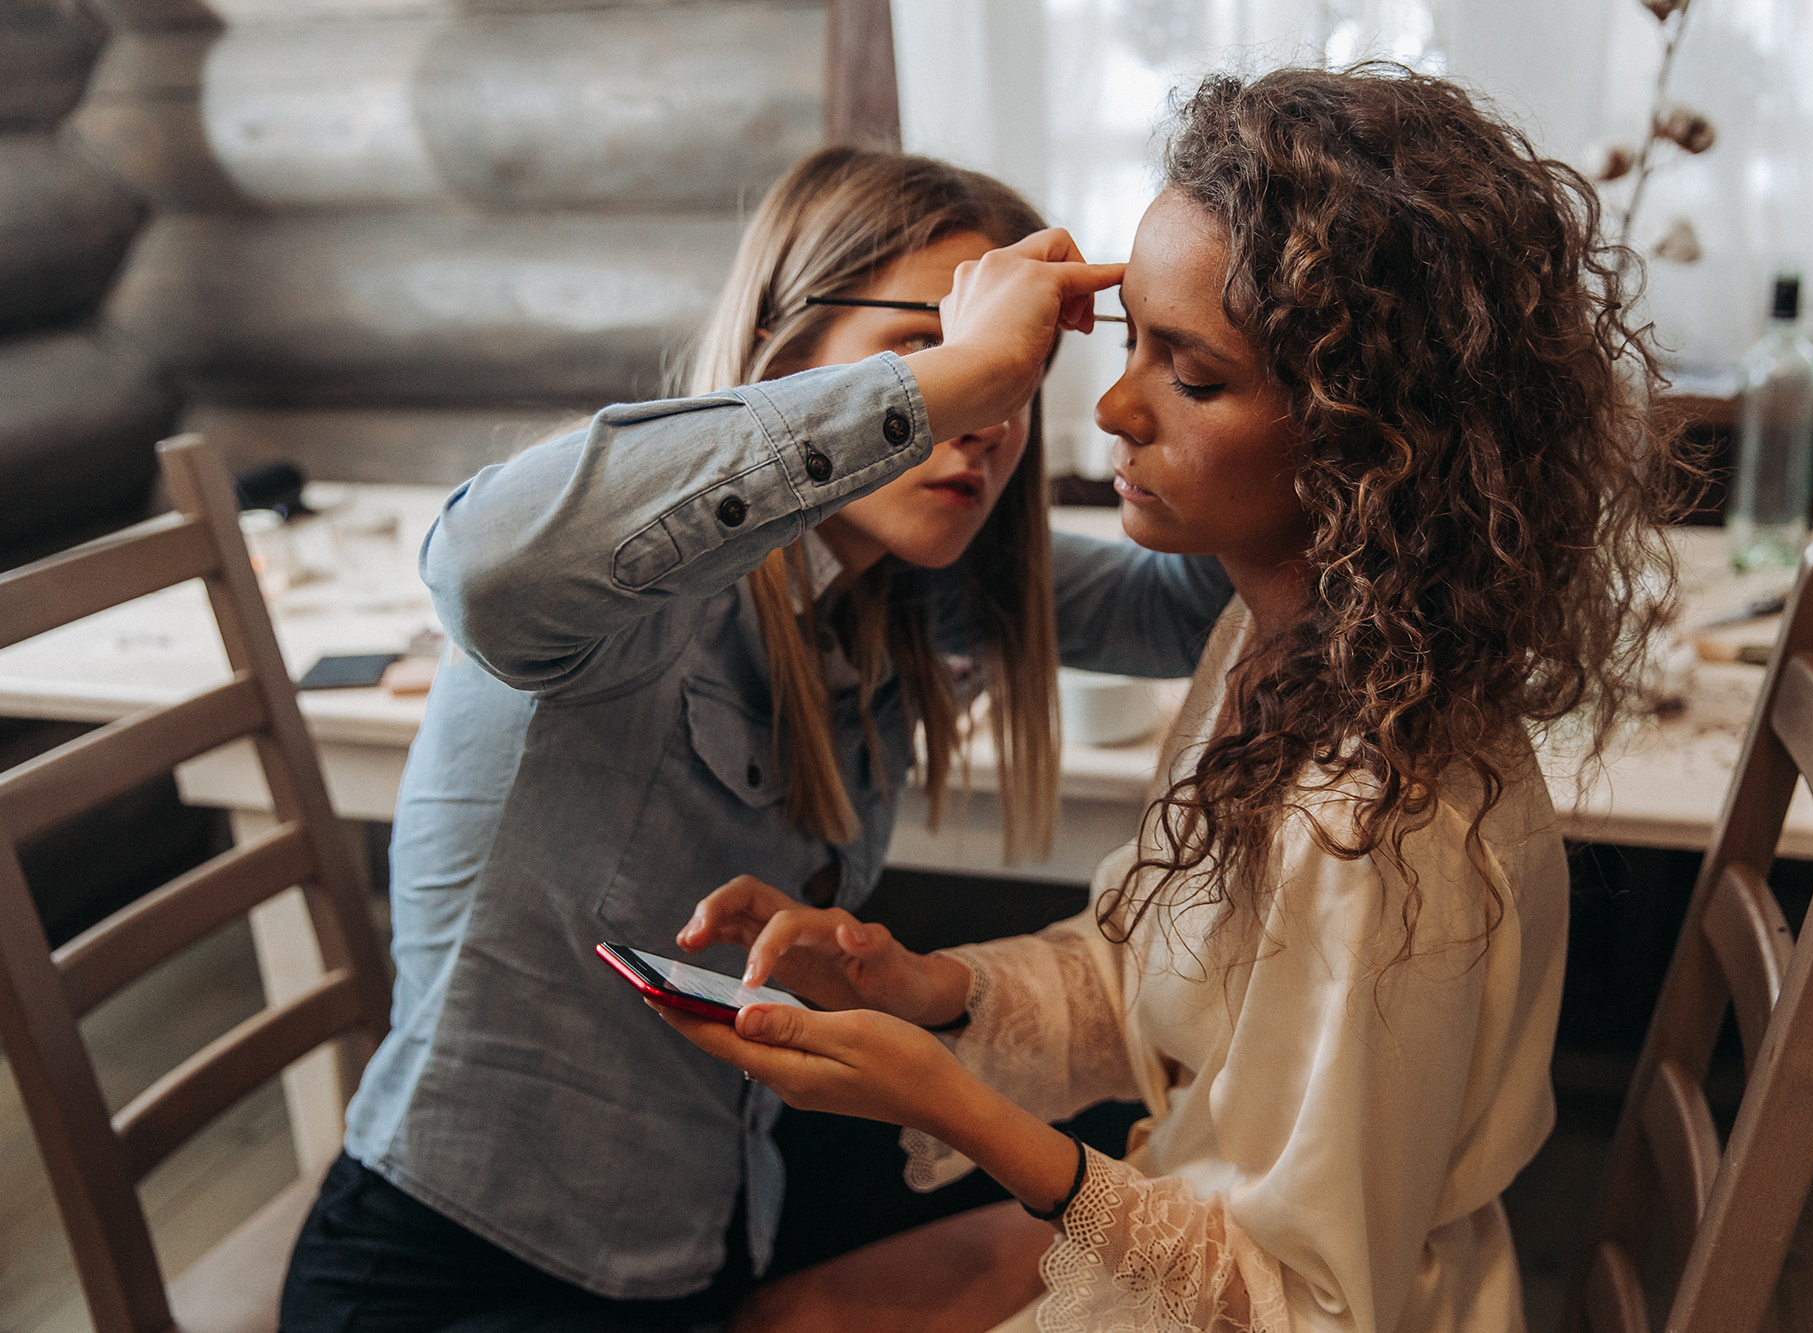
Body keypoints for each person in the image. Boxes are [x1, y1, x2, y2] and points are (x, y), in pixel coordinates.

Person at [660, 66, 1698, 1333]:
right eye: (1127, 342)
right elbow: (1143, 968)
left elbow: (1310, 1299)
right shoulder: (1270, 646)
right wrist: (924, 986)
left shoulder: (1379, 823)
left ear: (1367, 439)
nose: (1107, 406)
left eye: (1190, 377)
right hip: (1186, 1217)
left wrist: (952, 1101)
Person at [278, 147, 1235, 1332]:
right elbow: (480, 563)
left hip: (719, 1221)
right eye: (927, 348)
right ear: (787, 355)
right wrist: (957, 371)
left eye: (1015, 373)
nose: (988, 417)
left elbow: (1226, 584)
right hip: (461, 1272)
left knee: (1146, 1162)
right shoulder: (635, 600)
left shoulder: (904, 590)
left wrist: (1235, 363)